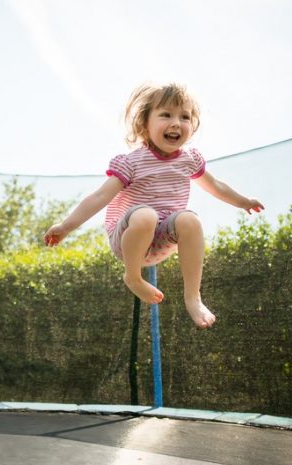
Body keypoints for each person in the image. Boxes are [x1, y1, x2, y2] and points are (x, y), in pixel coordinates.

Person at [43, 83, 264, 329]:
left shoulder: (189, 160)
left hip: (161, 240)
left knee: (190, 219)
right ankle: (133, 276)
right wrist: (66, 226)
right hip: (127, 238)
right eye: (166, 115)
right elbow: (99, 197)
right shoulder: (132, 162)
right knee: (146, 215)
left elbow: (216, 186)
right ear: (144, 124)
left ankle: (193, 296)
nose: (176, 123)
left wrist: (243, 201)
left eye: (184, 117)